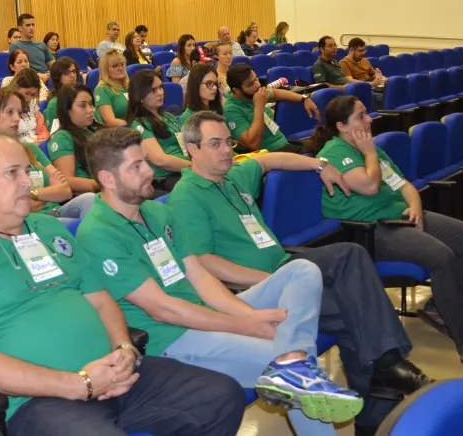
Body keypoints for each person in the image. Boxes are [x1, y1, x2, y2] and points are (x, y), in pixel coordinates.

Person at [0, 127, 246, 436]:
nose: (28, 182)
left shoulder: (50, 229)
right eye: (12, 173)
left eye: (27, 171)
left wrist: (123, 349)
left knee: (221, 396)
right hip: (42, 401)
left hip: (116, 376)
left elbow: (102, 300)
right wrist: (81, 384)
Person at [79, 128, 364, 434]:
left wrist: (249, 315)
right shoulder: (99, 233)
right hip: (173, 337)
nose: (149, 171)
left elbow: (200, 277)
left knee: (303, 271)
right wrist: (246, 325)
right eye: (136, 167)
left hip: (203, 312)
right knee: (290, 372)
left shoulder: (155, 212)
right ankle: (294, 365)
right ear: (107, 179)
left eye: (145, 162)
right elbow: (164, 310)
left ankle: (293, 360)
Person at [168, 111, 435, 433]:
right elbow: (203, 261)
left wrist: (319, 164)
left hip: (287, 268)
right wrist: (273, 280)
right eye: (215, 144)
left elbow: (269, 161)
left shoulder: (233, 176)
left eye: (228, 141)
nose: (227, 150)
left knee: (352, 271)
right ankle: (384, 383)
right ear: (192, 149)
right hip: (255, 290)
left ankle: (382, 384)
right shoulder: (187, 196)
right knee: (352, 299)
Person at [311, 95, 463, 373]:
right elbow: (370, 187)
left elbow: (404, 185)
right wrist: (369, 151)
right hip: (371, 228)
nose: (369, 119)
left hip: (403, 216)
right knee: (442, 257)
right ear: (342, 126)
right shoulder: (333, 153)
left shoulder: (372, 150)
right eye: (360, 116)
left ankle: (435, 307)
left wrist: (416, 208)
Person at [0, 87, 95, 221]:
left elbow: (65, 191)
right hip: (28, 221)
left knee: (91, 200)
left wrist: (32, 194)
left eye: (19, 112)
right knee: (81, 224)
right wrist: (50, 192)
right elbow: (14, 207)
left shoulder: (30, 148)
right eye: (10, 112)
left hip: (56, 211)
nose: (17, 118)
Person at [224, 63, 319, 154]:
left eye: (256, 79)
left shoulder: (253, 93)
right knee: (319, 155)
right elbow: (252, 144)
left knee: (320, 145)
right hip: (268, 154)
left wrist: (303, 99)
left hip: (282, 144)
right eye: (250, 84)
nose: (257, 85)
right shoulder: (230, 110)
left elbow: (275, 93)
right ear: (236, 91)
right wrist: (259, 107)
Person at [126, 71, 190, 194]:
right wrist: (193, 167)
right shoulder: (139, 124)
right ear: (140, 96)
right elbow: (160, 160)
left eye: (161, 87)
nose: (160, 92)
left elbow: (186, 145)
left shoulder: (169, 117)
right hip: (166, 178)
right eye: (153, 90)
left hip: (184, 171)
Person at [48, 84, 102, 194]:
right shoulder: (62, 137)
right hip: (89, 196)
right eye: (83, 106)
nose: (90, 110)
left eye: (91, 104)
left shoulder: (97, 130)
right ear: (67, 110)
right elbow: (67, 180)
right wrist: (106, 184)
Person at [340, 38, 387, 110]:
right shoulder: (344, 63)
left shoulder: (364, 60)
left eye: (364, 50)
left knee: (392, 93)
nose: (363, 53)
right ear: (351, 50)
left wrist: (386, 80)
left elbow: (374, 75)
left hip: (373, 87)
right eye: (360, 51)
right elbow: (349, 80)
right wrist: (370, 84)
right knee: (383, 98)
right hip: (361, 90)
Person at [8, 70, 50, 144]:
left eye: (34, 95)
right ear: (16, 87)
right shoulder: (5, 107)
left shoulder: (32, 104)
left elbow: (41, 128)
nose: (29, 98)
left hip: (36, 143)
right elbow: (5, 138)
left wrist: (42, 139)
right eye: (27, 93)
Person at [95, 48, 130, 128]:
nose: (121, 68)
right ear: (105, 69)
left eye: (122, 64)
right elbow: (110, 122)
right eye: (115, 66)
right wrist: (135, 126)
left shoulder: (128, 85)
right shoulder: (102, 90)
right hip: (117, 134)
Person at [43, 56, 80, 132]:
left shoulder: (82, 97)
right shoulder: (54, 104)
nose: (72, 75)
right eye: (67, 73)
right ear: (58, 77)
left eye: (74, 71)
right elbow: (53, 134)